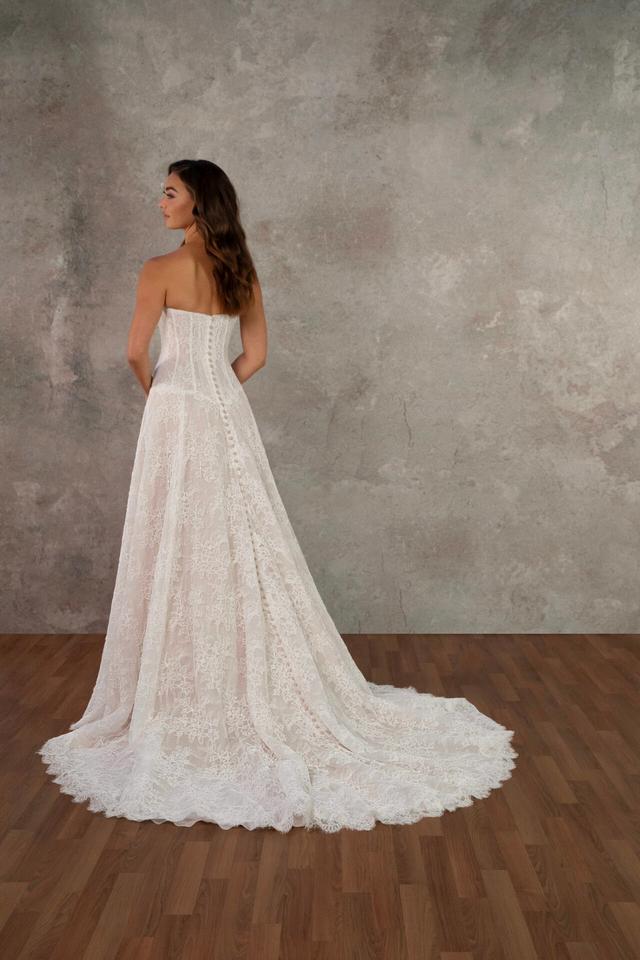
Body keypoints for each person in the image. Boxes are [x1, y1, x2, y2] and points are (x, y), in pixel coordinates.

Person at [38, 159, 517, 832]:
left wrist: (166, 395)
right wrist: (217, 393)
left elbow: (134, 352)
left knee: (175, 533)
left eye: (170, 193)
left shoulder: (157, 270)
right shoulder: (241, 271)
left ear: (197, 203)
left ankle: (184, 682)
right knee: (241, 536)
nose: (160, 202)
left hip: (175, 412)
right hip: (226, 412)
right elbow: (255, 356)